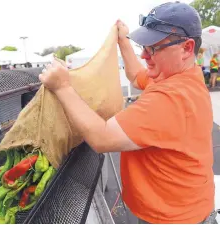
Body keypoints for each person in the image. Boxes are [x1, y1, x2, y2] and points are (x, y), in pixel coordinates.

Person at [38, 2, 216, 224]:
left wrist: (62, 87)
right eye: (143, 47)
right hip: (188, 207)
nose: (144, 55)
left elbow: (102, 138)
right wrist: (123, 41)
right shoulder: (182, 75)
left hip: (175, 219)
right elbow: (136, 75)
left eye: (153, 48)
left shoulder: (170, 98)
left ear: (187, 48)